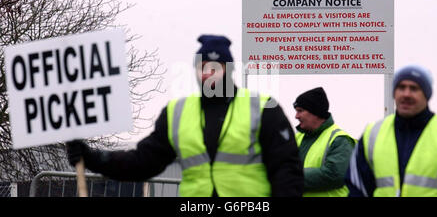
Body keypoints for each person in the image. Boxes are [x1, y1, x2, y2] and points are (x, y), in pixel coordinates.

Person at [67, 34, 304, 197]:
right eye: (202, 68)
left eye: (215, 68)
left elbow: (286, 170)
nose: (207, 75)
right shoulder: (177, 113)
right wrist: (94, 158)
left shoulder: (264, 109)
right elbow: (143, 162)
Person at [346, 64, 437, 197]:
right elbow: (357, 187)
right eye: (401, 87)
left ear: (427, 95)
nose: (406, 94)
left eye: (414, 88)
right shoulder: (373, 133)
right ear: (394, 93)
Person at [293, 87, 355, 197]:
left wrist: (292, 177)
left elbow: (335, 175)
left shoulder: (340, 139)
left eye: (300, 111)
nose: (296, 116)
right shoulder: (297, 138)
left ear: (315, 112)